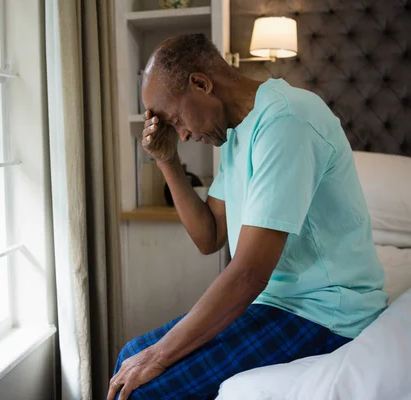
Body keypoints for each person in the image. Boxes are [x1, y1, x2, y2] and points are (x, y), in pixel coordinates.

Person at [107, 33, 387, 400]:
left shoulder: (288, 121)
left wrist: (158, 356)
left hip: (326, 312)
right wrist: (166, 159)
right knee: (129, 357)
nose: (185, 135)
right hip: (278, 303)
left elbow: (249, 273)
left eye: (177, 119)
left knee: (146, 386)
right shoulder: (238, 133)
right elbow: (210, 237)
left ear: (201, 83)